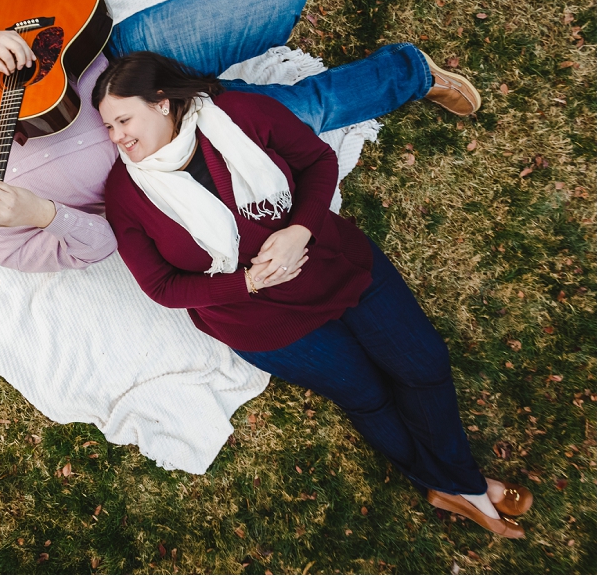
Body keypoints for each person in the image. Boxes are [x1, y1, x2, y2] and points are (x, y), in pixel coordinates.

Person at [94, 51, 532, 538]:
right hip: (262, 321)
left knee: (424, 364)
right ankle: (458, 486)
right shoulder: (125, 193)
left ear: (161, 102)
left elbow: (317, 162)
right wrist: (248, 282)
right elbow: (161, 287)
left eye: (122, 119)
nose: (117, 137)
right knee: (367, 395)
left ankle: (454, 484)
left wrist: (300, 228)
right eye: (108, 127)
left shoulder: (239, 114)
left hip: (331, 261)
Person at [0, 0, 480, 271]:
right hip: (174, 141)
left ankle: (272, 19)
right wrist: (44, 213)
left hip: (129, 63)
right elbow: (101, 245)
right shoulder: (9, 249)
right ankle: (414, 73)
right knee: (308, 111)